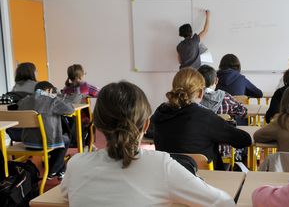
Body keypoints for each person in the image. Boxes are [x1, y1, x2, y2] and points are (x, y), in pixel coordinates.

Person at [60, 81, 235, 206]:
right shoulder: (161, 165)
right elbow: (223, 202)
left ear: (95, 125)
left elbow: (64, 195)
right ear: (145, 125)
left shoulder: (76, 165)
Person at [151, 68, 252, 170]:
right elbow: (245, 140)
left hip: (168, 180)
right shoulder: (205, 117)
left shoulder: (159, 114)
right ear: (200, 93)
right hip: (205, 181)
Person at [19, 81, 74, 180]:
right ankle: (52, 170)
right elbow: (70, 109)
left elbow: (18, 106)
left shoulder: (25, 100)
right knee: (65, 140)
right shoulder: (51, 100)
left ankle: (61, 170)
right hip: (47, 143)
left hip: (27, 142)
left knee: (59, 140)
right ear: (49, 90)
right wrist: (56, 97)